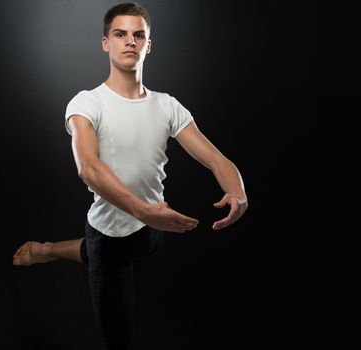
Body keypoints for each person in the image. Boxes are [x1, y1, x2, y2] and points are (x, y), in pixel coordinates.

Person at [13, 2, 248, 349]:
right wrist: (142, 210)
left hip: (153, 229)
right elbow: (88, 168)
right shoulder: (86, 103)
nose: (130, 42)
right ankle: (46, 251)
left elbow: (216, 158)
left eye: (139, 35)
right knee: (117, 334)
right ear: (105, 42)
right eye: (120, 34)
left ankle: (49, 250)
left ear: (148, 45)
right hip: (110, 233)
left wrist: (237, 191)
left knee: (131, 250)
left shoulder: (167, 105)